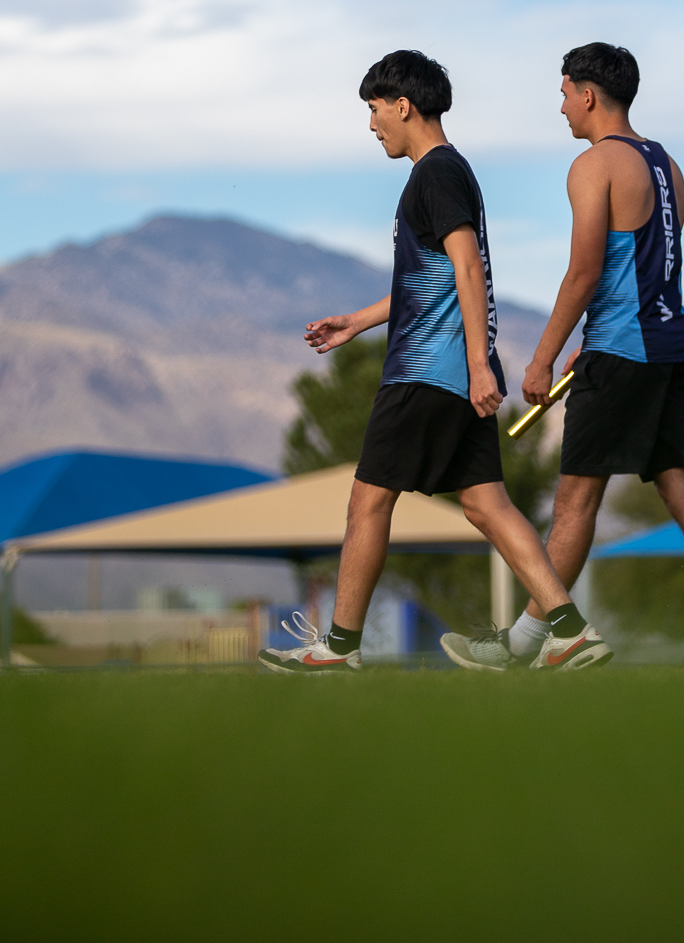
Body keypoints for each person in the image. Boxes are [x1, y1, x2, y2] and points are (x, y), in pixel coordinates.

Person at [260, 50, 611, 674]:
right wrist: (358, 322)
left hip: (428, 372)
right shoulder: (441, 173)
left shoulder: (436, 173)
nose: (372, 125)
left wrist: (479, 364)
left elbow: (468, 265)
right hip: (451, 370)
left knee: (367, 503)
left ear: (404, 106)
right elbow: (429, 281)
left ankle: (339, 650)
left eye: (374, 110)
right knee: (486, 505)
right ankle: (571, 630)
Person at [439, 43, 684, 672]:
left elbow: (585, 270)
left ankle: (524, 642)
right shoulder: (667, 165)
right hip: (674, 349)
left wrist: (542, 359)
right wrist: (590, 334)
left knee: (575, 503)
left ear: (589, 93)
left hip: (622, 352)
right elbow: (648, 269)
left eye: (565, 92)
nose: (563, 106)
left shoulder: (593, 165)